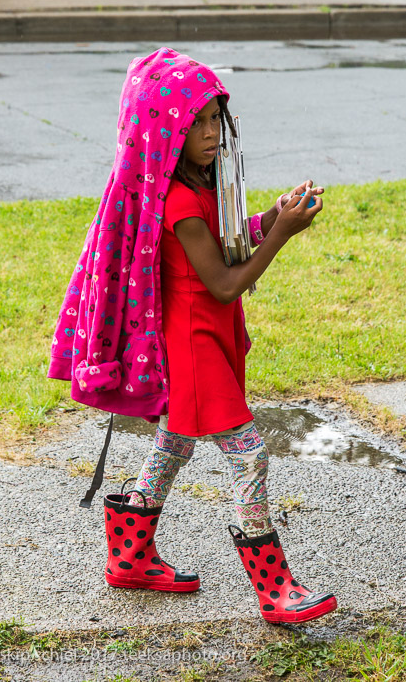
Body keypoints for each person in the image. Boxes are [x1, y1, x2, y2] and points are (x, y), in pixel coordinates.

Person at [48, 47, 337, 624]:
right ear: (165, 131)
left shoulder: (198, 184)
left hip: (206, 335)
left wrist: (266, 218)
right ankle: (275, 590)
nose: (208, 133)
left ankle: (129, 557)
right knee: (249, 455)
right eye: (194, 122)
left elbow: (221, 242)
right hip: (194, 344)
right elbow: (227, 284)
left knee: (173, 444)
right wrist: (281, 235)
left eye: (214, 119)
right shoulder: (179, 199)